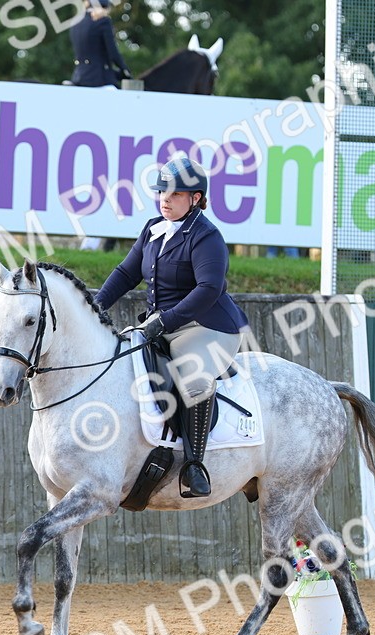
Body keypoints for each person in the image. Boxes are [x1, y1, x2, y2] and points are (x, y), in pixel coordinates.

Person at [93, 155, 249, 498]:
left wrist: (164, 321)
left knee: (192, 377)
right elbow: (125, 273)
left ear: (196, 198)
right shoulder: (153, 229)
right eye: (162, 191)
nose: (165, 198)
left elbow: (208, 290)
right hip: (162, 324)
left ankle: (195, 467)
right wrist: (94, 307)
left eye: (175, 194)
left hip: (208, 326)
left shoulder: (207, 237)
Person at [69, 0, 131, 88]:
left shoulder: (75, 23)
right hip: (99, 80)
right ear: (105, 8)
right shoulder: (103, 22)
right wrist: (124, 69)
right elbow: (113, 53)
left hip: (78, 77)